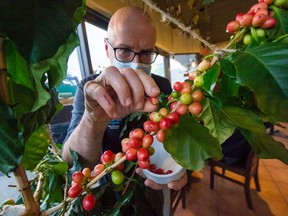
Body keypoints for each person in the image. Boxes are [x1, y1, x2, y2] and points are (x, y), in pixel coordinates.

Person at [62, 6, 187, 193]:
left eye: (145, 53)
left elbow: (175, 138)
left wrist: (181, 165)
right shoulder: (90, 89)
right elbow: (71, 160)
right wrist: (94, 119)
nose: (136, 63)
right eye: (124, 50)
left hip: (152, 193)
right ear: (107, 49)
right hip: (106, 197)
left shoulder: (161, 86)